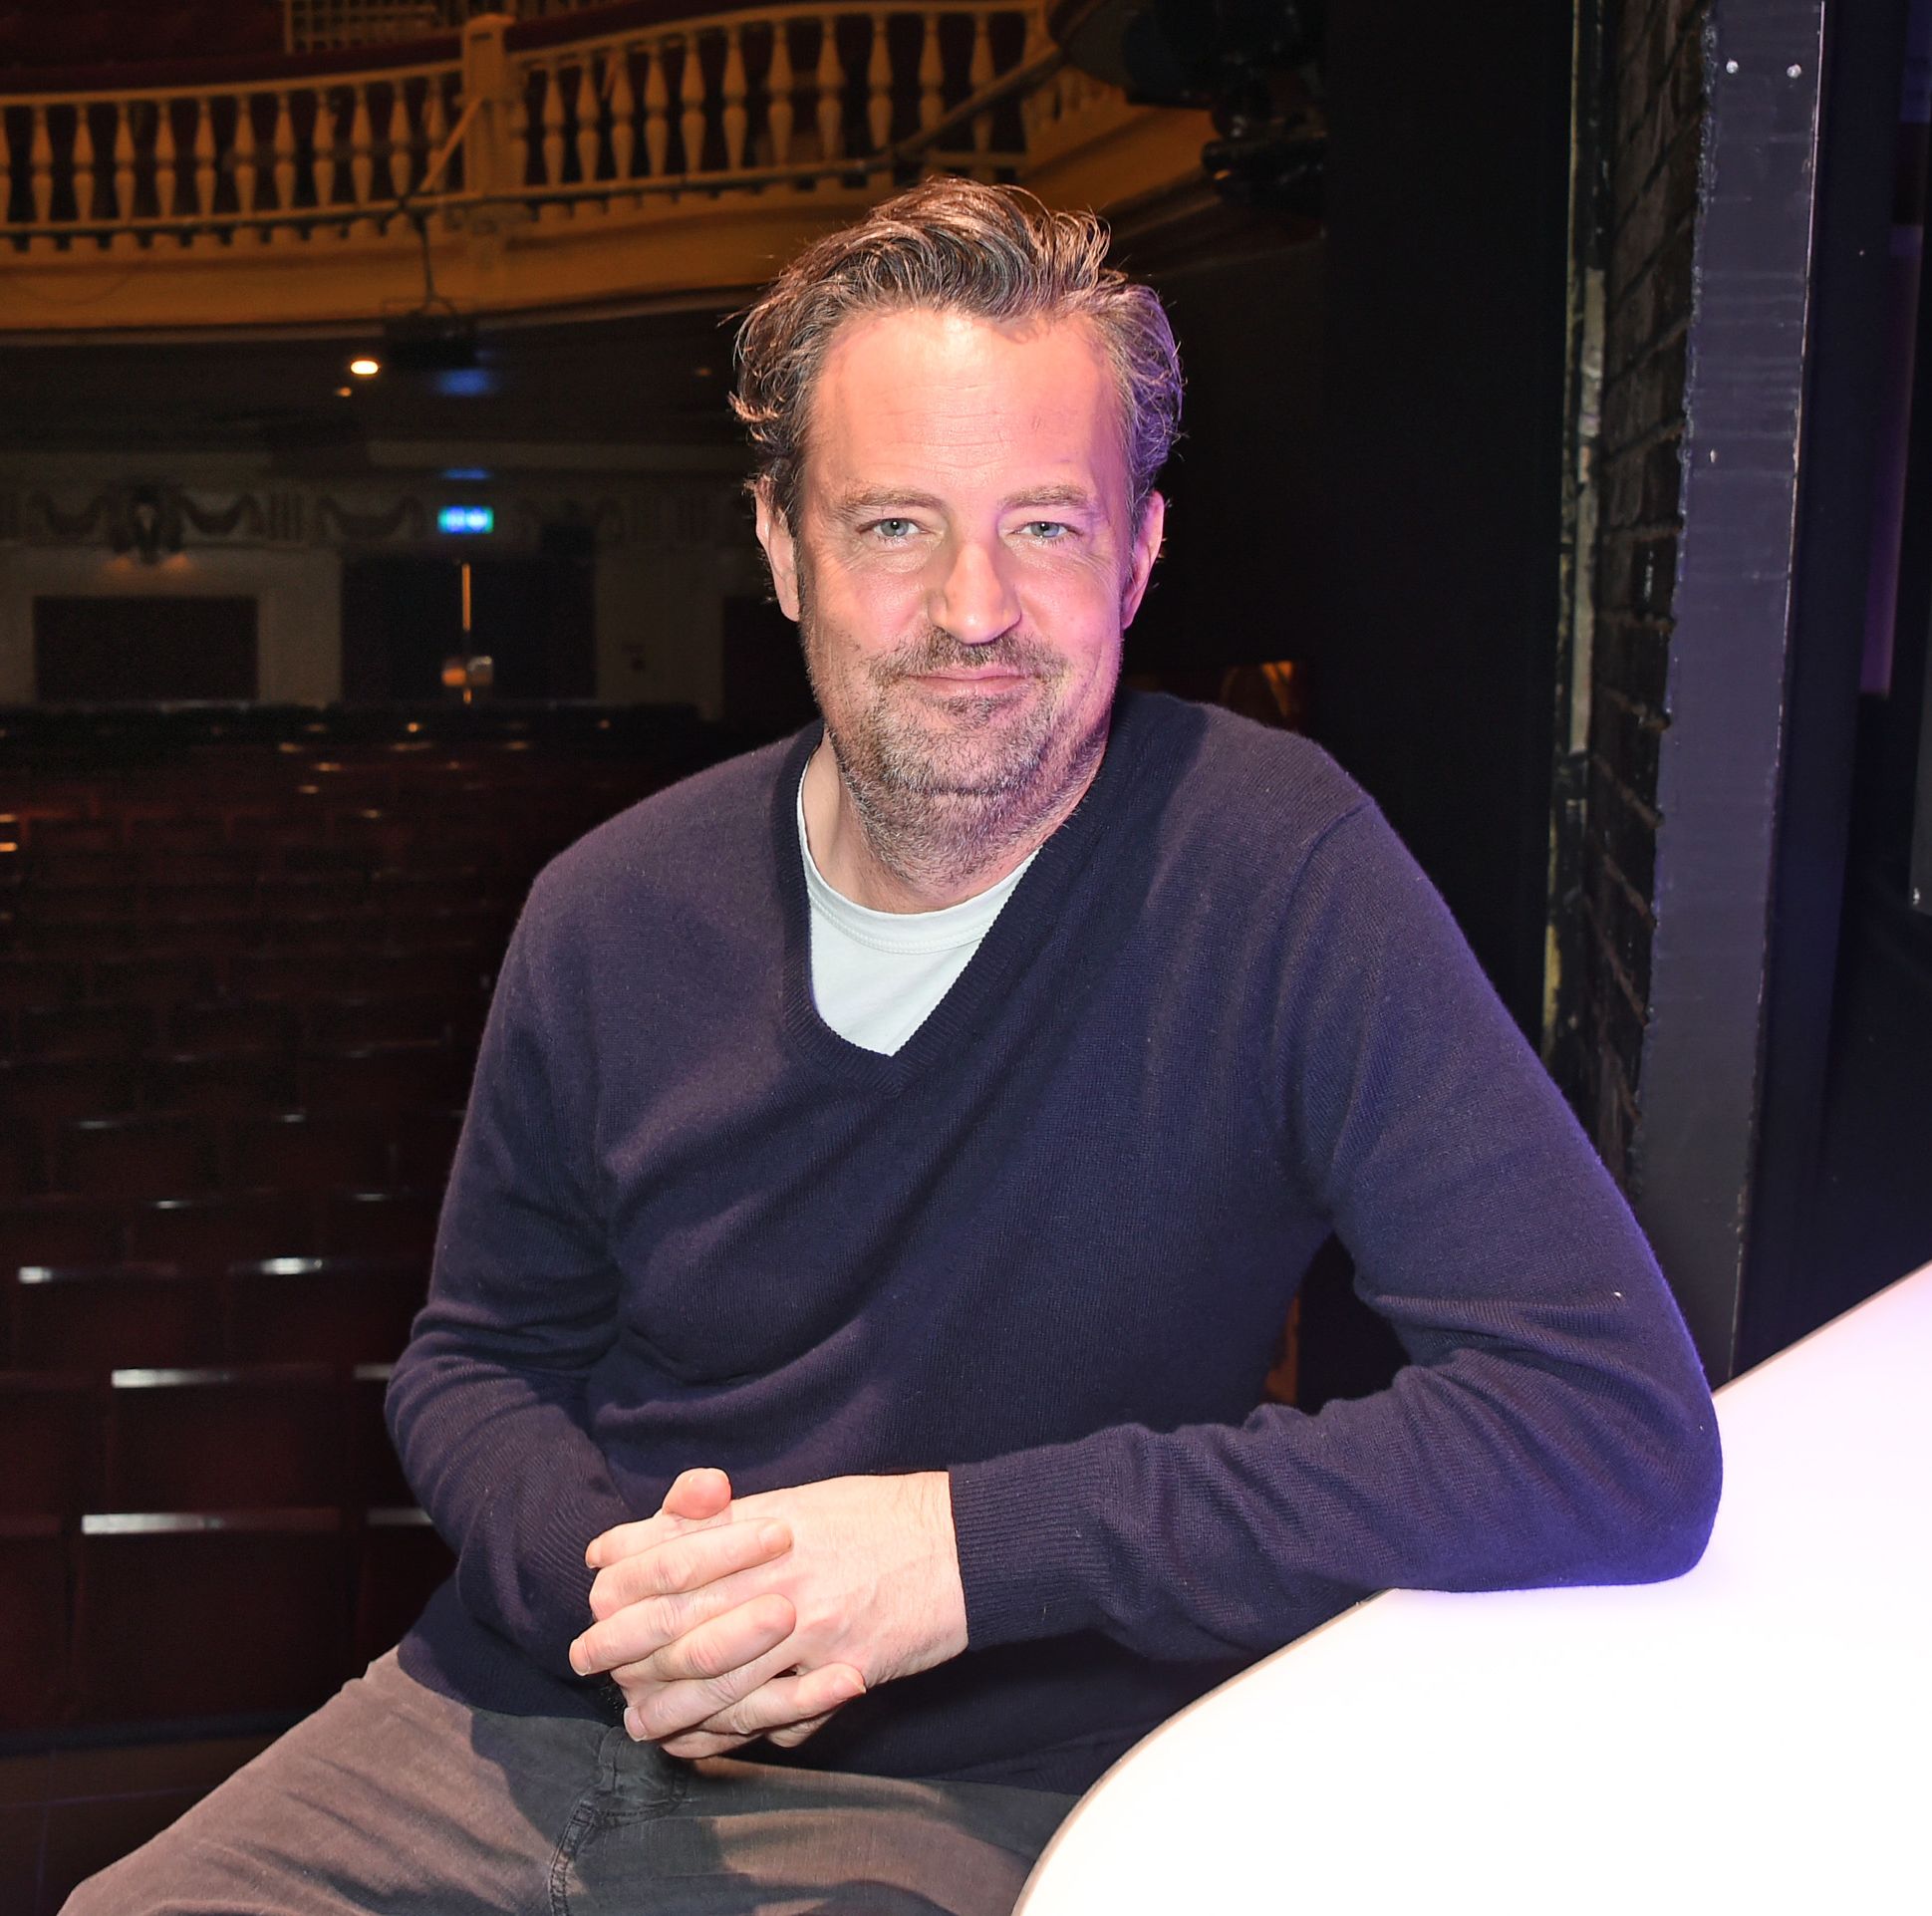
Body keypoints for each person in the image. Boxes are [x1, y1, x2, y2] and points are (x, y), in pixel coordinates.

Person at [69, 177, 1722, 1916]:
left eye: (1047, 528)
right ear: (782, 546)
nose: (975, 608)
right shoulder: (603, 907)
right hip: (514, 1711)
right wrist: (619, 1596)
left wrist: (960, 1550)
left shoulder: (1278, 868)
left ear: (1142, 553)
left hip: (959, 1792)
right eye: (893, 527)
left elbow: (1607, 1434)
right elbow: (472, 1362)